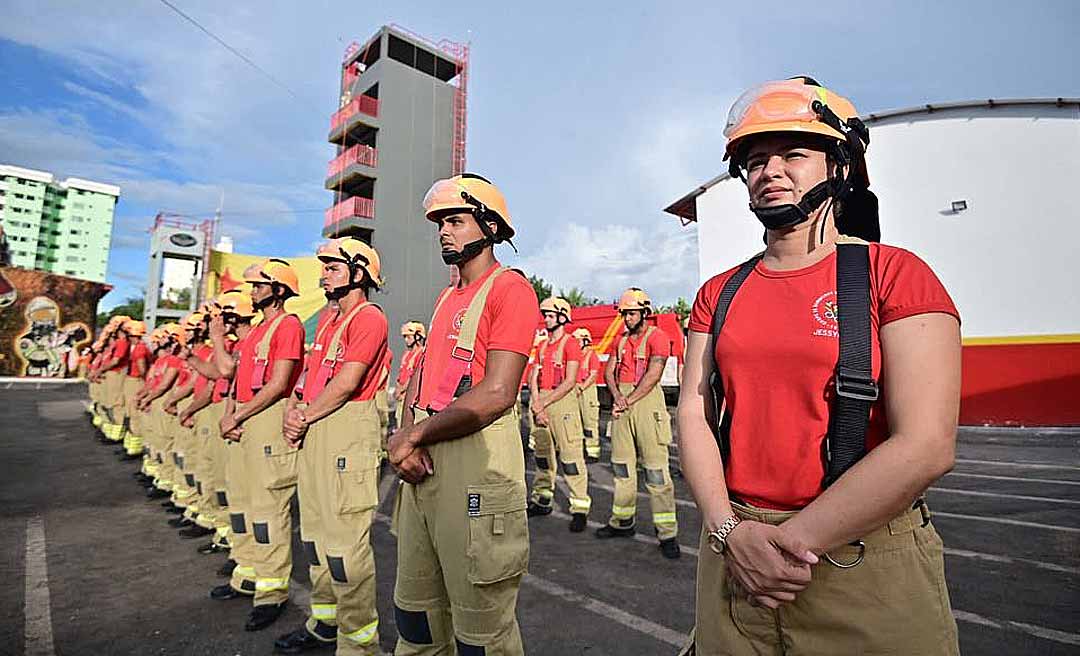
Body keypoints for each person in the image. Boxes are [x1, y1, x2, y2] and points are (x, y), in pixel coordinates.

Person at [676, 77, 961, 655]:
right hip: (737, 546)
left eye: (794, 154)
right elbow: (694, 414)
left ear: (839, 167)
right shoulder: (719, 292)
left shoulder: (895, 275)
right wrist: (729, 533)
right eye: (756, 160)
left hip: (859, 560)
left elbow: (927, 444)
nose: (770, 170)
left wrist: (784, 548)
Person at [388, 174, 539, 655]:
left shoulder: (510, 290)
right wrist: (406, 431)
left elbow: (497, 392)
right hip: (428, 455)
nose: (443, 232)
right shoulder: (446, 298)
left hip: (476, 460)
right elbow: (424, 375)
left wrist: (414, 436)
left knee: (481, 634)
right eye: (439, 224)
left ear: (490, 226)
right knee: (415, 617)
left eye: (454, 220)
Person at [275, 238, 388, 655]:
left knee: (345, 548)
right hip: (317, 428)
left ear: (359, 273)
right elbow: (310, 376)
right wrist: (295, 409)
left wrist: (303, 416)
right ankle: (324, 623)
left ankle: (359, 644)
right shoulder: (326, 319)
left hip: (346, 430)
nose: (323, 274)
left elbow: (346, 383)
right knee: (317, 538)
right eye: (323, 268)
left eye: (333, 267)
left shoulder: (369, 317)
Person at [213, 258, 305, 633]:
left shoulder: (288, 326)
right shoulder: (256, 332)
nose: (252, 292)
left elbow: (278, 383)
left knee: (269, 511)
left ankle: (272, 592)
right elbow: (235, 380)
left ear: (279, 290)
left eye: (259, 286)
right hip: (249, 420)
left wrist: (237, 416)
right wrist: (231, 413)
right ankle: (248, 574)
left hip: (268, 419)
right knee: (247, 503)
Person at [596, 287, 680, 559]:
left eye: (631, 313)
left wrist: (627, 399)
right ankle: (623, 521)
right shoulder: (620, 341)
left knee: (656, 472)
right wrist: (618, 397)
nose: (627, 318)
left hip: (645, 405)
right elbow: (609, 371)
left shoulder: (659, 337)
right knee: (621, 468)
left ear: (645, 312)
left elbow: (654, 374)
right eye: (624, 314)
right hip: (624, 403)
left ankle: (667, 533)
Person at [526, 297, 590, 531]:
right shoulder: (542, 345)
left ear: (563, 317)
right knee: (543, 457)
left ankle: (580, 508)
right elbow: (533, 376)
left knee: (571, 459)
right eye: (545, 314)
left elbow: (571, 380)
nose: (546, 319)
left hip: (562, 403)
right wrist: (536, 403)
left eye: (550, 315)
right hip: (541, 400)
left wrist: (542, 403)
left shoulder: (571, 343)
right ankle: (542, 499)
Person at [572, 327, 602, 462]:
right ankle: (579, 450)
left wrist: (582, 388)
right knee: (575, 422)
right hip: (574, 390)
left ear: (585, 341)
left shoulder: (591, 355)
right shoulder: (574, 356)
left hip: (587, 392)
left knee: (589, 422)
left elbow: (593, 375)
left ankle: (592, 452)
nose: (575, 343)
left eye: (577, 341)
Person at [393, 322, 427, 430]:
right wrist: (397, 389)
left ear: (417, 336)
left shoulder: (421, 353)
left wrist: (402, 389)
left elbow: (414, 377)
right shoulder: (406, 354)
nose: (406, 340)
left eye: (408, 337)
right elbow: (401, 374)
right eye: (405, 337)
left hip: (410, 398)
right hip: (401, 397)